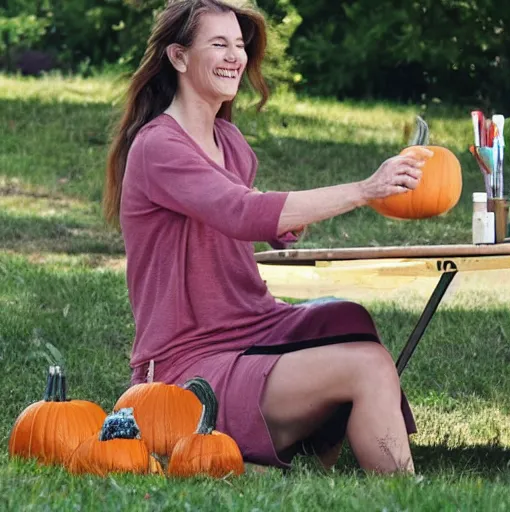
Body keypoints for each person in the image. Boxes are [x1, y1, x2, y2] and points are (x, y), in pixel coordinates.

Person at [104, 0, 432, 474]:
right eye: (218, 44)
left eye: (239, 44)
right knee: (368, 365)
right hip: (186, 367)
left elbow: (242, 203)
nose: (235, 56)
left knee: (347, 318)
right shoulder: (158, 146)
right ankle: (403, 492)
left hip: (252, 326)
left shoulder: (229, 142)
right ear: (178, 57)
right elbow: (241, 211)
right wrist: (366, 190)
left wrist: (280, 223)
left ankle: (300, 456)